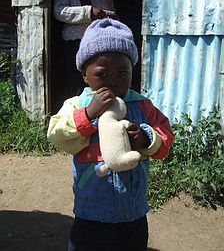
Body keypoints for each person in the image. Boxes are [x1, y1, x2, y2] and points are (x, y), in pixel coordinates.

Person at [47, 18, 175, 251]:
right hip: (91, 212)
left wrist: (146, 138)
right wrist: (87, 115)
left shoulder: (142, 106)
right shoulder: (77, 104)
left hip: (133, 213)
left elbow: (166, 138)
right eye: (102, 75)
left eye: (122, 73)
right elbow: (57, 136)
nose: (113, 82)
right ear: (85, 75)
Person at [54, 0, 118, 98]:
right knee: (76, 84)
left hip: (100, 43)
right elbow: (59, 11)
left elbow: (112, 13)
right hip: (76, 42)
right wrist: (89, 12)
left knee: (99, 82)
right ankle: (74, 116)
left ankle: (97, 116)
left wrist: (108, 16)